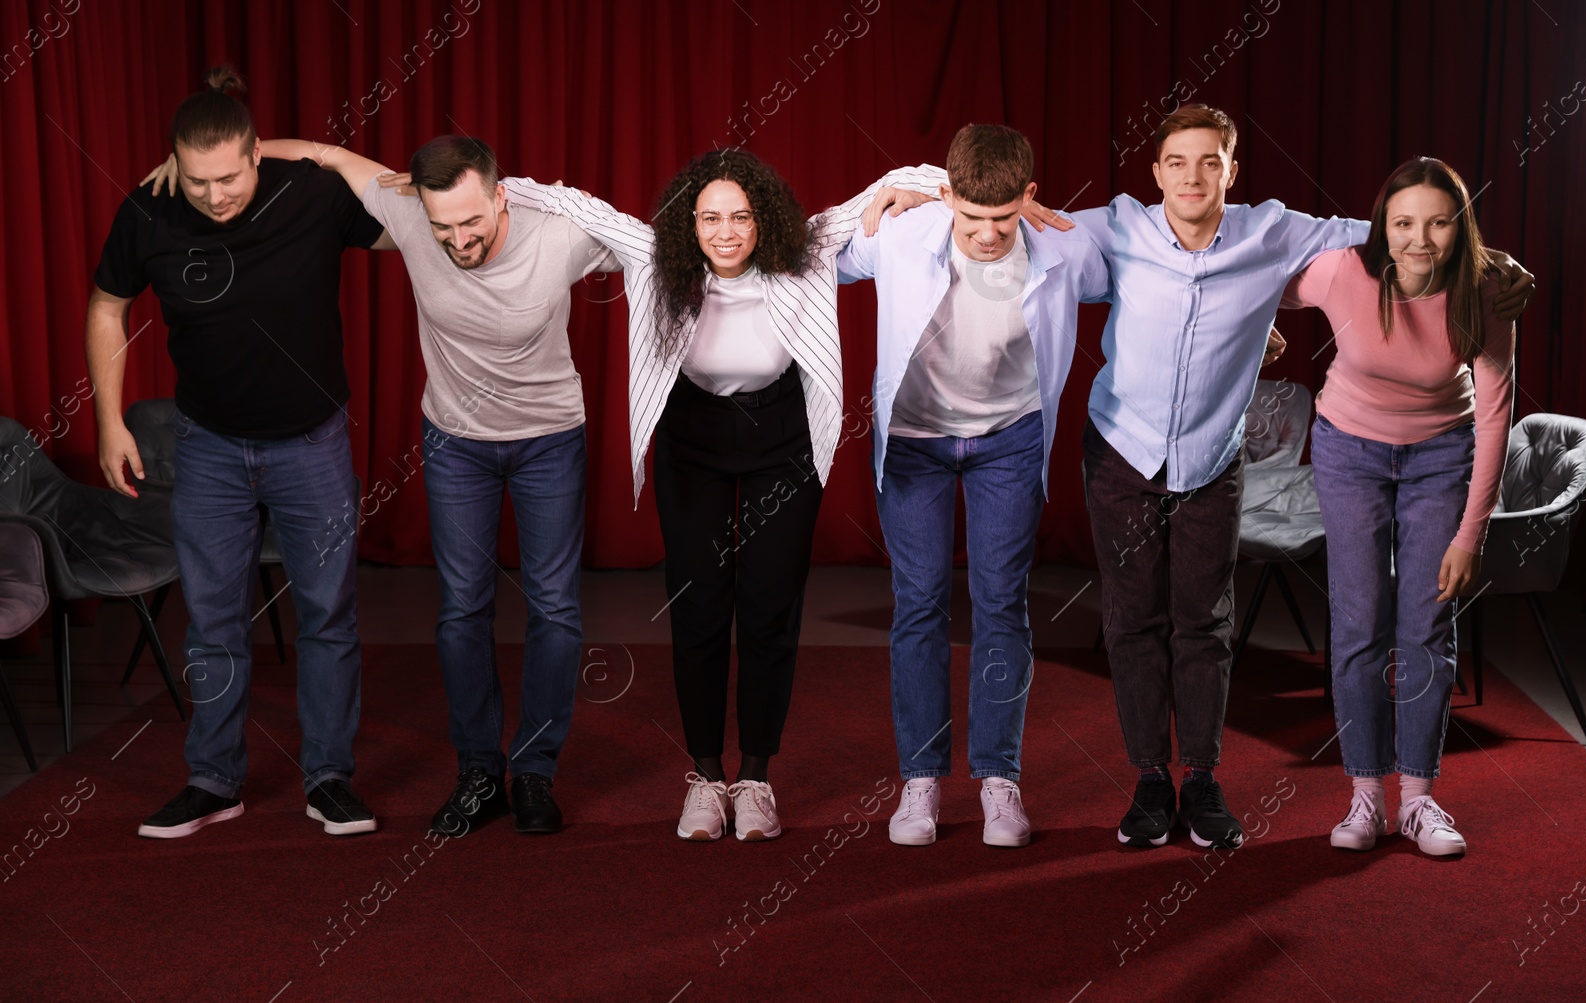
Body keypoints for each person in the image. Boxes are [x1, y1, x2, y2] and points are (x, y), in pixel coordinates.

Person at [1065, 104, 1533, 851]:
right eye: (1177, 163)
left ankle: (1227, 781)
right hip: (1131, 449)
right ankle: (1159, 781)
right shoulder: (1117, 224)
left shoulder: (1277, 231)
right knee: (1138, 622)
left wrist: (1494, 259)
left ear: (1232, 170)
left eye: (1210, 162)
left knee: (1213, 624)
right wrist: (918, 195)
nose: (1193, 177)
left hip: (1238, 459)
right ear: (1155, 174)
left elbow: (1386, 243)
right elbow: (1024, 229)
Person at [151, 133, 624, 836]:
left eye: (472, 221)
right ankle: (478, 772)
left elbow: (657, 249)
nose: (459, 238)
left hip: (549, 440)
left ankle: (534, 772)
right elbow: (329, 155)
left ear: (500, 197)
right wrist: (223, 162)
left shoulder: (562, 235)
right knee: (462, 607)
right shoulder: (407, 214)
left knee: (553, 608)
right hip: (456, 443)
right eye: (443, 227)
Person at [499, 150, 945, 842]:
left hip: (781, 438)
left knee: (770, 607)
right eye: (710, 217)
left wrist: (955, 188)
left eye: (740, 216)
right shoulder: (655, 254)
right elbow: (571, 202)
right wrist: (489, 185)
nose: (727, 231)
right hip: (693, 436)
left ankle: (757, 777)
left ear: (763, 219)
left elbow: (890, 184)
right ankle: (706, 777)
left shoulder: (805, 246)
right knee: (700, 605)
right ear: (691, 223)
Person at [94, 67, 393, 839]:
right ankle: (213, 778)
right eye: (197, 181)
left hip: (312, 441)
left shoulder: (309, 193)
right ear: (172, 167)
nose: (216, 196)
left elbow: (406, 213)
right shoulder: (148, 210)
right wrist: (108, 421)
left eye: (229, 177)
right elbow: (107, 306)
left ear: (259, 155)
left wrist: (313, 149)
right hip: (209, 446)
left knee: (329, 612)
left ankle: (328, 777)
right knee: (213, 619)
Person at [836, 124, 1103, 848]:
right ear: (946, 196)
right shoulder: (903, 231)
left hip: (1008, 442)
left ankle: (999, 780)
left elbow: (1157, 260)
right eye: (971, 217)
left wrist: (1262, 321)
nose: (987, 235)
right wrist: (894, 183)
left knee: (1000, 604)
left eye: (1004, 218)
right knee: (918, 603)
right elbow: (809, 248)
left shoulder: (1065, 245)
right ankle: (920, 780)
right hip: (916, 442)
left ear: (1030, 198)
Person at [1282, 157, 1513, 857]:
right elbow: (1254, 279)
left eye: (1438, 222)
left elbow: (1496, 414)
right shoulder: (1342, 273)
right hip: (1348, 451)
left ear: (1459, 227)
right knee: (1357, 621)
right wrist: (1258, 326)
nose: (1420, 239)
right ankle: (1363, 797)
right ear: (1383, 224)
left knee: (1426, 622)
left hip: (1441, 456)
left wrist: (1469, 536)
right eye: (1404, 222)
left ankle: (1417, 799)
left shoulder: (1488, 286)